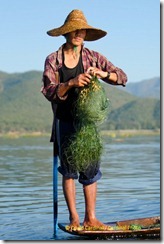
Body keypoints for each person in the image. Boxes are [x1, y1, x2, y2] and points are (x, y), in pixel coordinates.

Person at [41, 9, 128, 229]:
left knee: (90, 170)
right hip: (65, 120)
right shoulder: (54, 60)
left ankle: (91, 218)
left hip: (86, 125)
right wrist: (71, 83)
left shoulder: (93, 57)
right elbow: (49, 90)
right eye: (75, 30)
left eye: (82, 30)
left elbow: (122, 76)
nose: (79, 33)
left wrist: (103, 74)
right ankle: (75, 219)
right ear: (66, 33)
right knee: (69, 170)